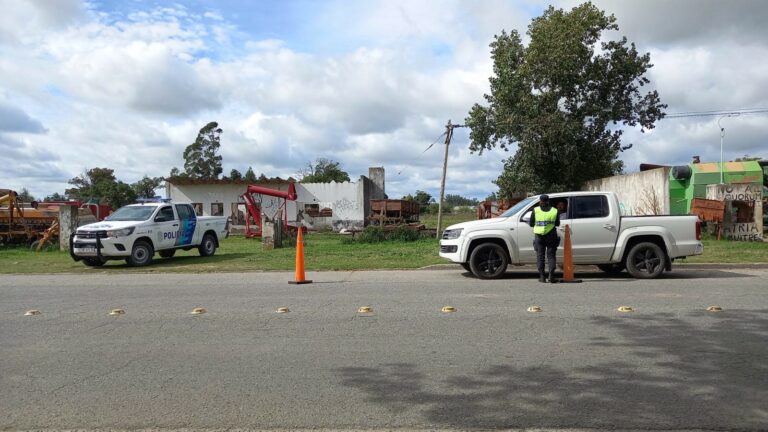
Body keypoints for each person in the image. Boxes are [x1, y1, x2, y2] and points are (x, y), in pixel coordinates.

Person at [529, 194, 561, 283]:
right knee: (551, 256)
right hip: (551, 235)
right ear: (548, 201)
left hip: (539, 236)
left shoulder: (535, 210)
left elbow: (531, 224)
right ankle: (551, 276)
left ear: (540, 201)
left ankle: (542, 277)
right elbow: (557, 223)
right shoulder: (555, 211)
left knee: (540, 256)